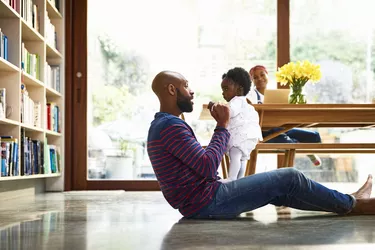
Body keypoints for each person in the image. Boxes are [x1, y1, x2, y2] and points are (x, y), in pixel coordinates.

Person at [147, 70, 374, 219]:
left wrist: (219, 134)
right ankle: (355, 204)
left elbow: (199, 162)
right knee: (289, 177)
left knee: (282, 189)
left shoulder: (165, 125)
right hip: (206, 202)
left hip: (200, 202)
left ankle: (347, 201)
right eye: (186, 86)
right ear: (171, 90)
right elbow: (207, 166)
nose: (192, 91)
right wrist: (223, 125)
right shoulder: (170, 127)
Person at [248, 65, 322, 167]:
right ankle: (307, 152)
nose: (260, 79)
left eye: (262, 75)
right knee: (288, 142)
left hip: (280, 128)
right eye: (255, 78)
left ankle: (303, 148)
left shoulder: (277, 94)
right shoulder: (251, 96)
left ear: (267, 75)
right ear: (252, 81)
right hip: (264, 132)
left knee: (314, 136)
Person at [208, 67, 262, 182]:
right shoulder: (244, 103)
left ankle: (232, 178)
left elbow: (228, 112)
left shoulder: (236, 101)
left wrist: (214, 106)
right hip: (248, 136)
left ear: (239, 90)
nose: (223, 93)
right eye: (222, 90)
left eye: (226, 89)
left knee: (235, 156)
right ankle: (239, 179)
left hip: (239, 136)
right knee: (241, 159)